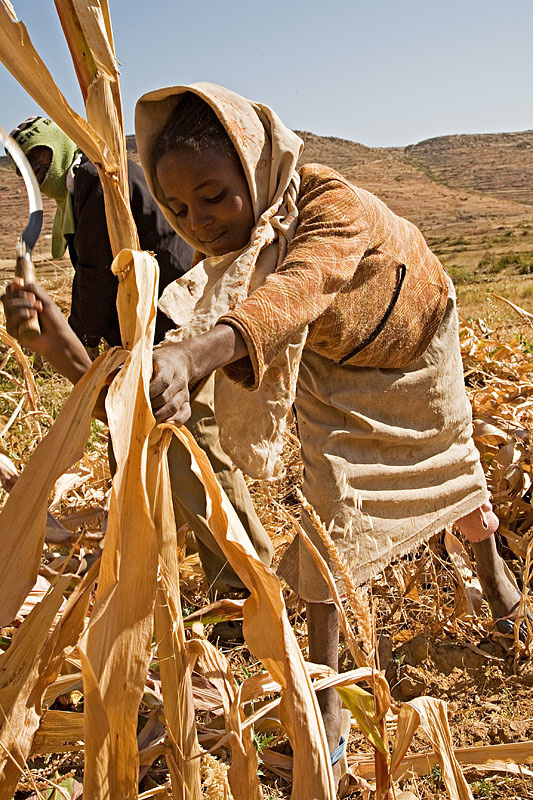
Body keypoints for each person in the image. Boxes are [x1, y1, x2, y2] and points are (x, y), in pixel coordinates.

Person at [4, 86, 521, 757]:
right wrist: (59, 345)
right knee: (328, 508)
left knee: (451, 458)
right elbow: (151, 379)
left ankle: (495, 586)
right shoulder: (230, 261)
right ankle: (326, 702)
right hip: (331, 359)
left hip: (416, 335)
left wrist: (192, 353)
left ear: (253, 165)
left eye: (215, 196)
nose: (199, 221)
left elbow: (297, 289)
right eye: (180, 208)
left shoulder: (328, 203)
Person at [3, 115, 273, 597]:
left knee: (193, 449)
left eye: (43, 155)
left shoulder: (92, 176)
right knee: (137, 449)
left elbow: (97, 273)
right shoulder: (83, 185)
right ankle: (146, 559)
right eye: (29, 163)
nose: (40, 168)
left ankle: (243, 585)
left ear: (61, 147)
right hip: (150, 328)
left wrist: (81, 343)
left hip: (167, 330)